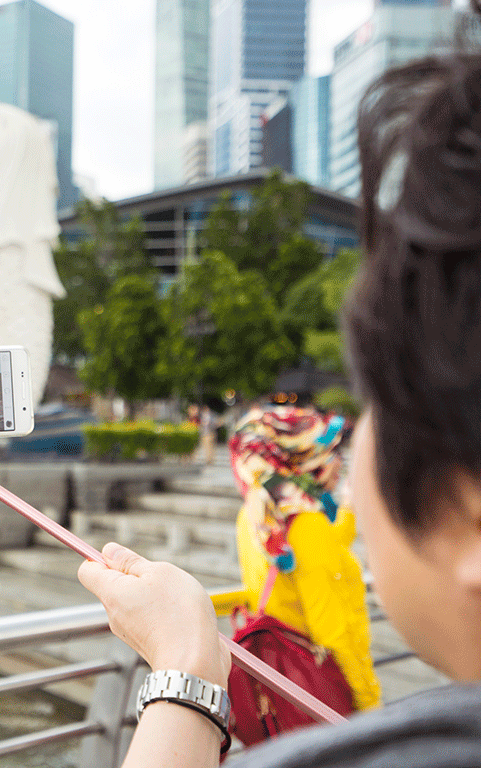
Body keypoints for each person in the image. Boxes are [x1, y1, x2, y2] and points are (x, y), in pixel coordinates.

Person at [78, 18, 481, 767]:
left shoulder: (266, 515)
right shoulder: (316, 525)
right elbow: (342, 631)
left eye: (375, 407)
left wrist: (186, 670)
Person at [229, 404, 381, 712]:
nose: (340, 463)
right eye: (330, 452)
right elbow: (334, 633)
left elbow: (314, 556)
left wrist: (348, 510)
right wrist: (369, 704)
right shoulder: (308, 526)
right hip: (322, 692)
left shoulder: (256, 515)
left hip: (285, 683)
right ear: (305, 459)